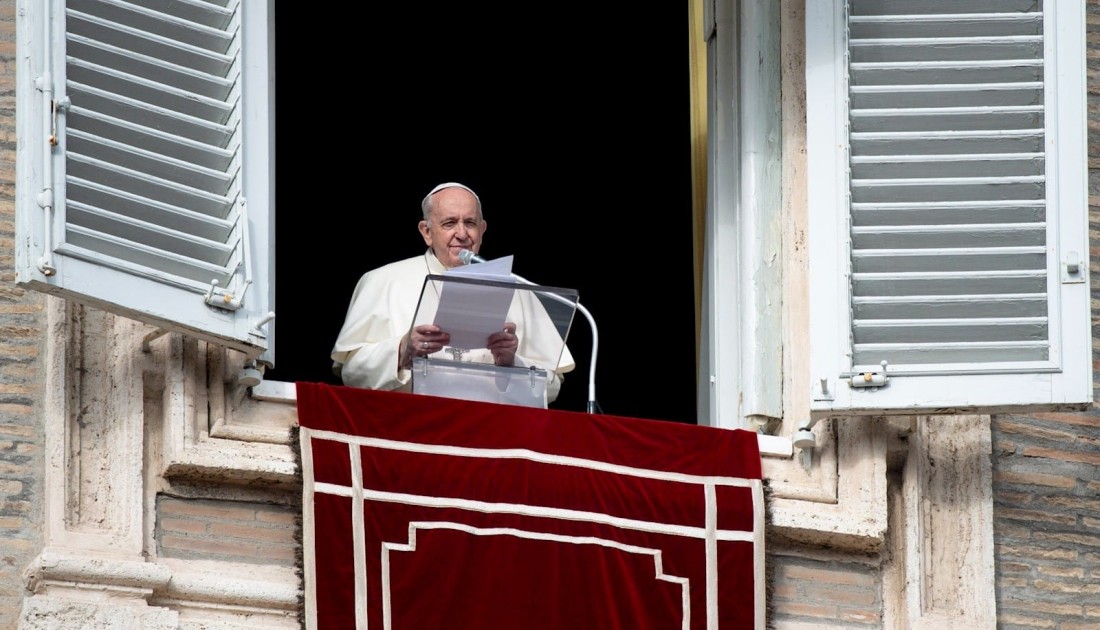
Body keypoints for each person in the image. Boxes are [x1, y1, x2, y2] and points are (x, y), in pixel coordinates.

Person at [330, 182, 575, 403]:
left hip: (495, 436)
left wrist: (512, 364)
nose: (462, 234)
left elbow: (551, 387)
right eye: (449, 223)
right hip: (409, 433)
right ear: (426, 232)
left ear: (483, 229)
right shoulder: (383, 281)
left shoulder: (518, 289)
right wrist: (402, 350)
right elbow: (351, 374)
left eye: (470, 223)